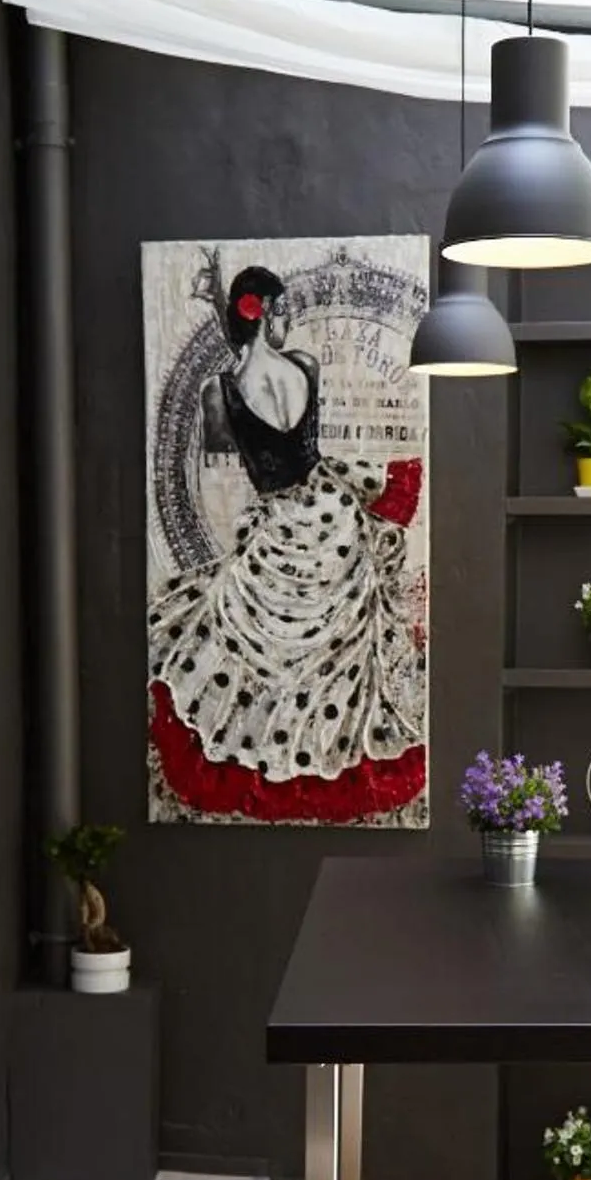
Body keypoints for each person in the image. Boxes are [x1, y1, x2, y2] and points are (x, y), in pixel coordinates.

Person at [148, 262, 426, 822]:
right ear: (267, 312)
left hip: (280, 526)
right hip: (333, 514)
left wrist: (216, 311)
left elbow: (236, 418)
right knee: (330, 651)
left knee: (255, 645)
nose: (287, 323)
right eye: (281, 312)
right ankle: (325, 747)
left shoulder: (222, 392)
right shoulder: (306, 365)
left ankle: (271, 753)